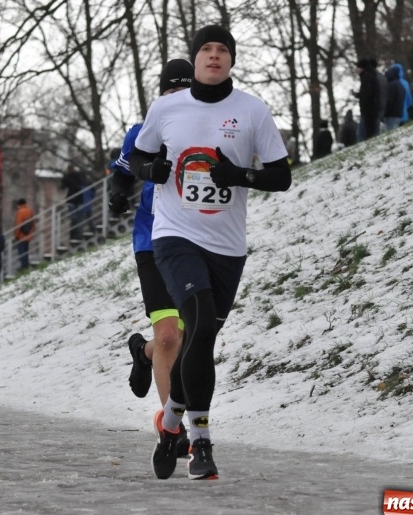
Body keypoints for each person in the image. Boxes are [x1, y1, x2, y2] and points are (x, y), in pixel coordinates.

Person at [130, 25, 291, 480]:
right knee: (195, 320)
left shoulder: (252, 111)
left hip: (227, 247)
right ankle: (201, 443)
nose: (215, 56)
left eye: (223, 50)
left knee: (202, 338)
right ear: (196, 58)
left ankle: (171, 423)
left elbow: (281, 176)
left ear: (232, 61)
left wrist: (238, 176)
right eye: (207, 49)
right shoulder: (166, 107)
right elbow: (138, 160)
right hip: (175, 236)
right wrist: (153, 169)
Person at [108, 58, 193, 458]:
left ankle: (141, 354)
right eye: (171, 91)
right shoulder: (143, 132)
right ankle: (172, 427)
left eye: (184, 90)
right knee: (169, 336)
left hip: (197, 242)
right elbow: (123, 171)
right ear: (161, 94)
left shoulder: (206, 133)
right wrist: (117, 194)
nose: (177, 98)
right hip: (152, 240)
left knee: (186, 338)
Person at [60, 164, 89, 242]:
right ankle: (78, 236)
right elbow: (83, 182)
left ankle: (73, 236)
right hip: (79, 199)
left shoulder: (67, 177)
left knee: (73, 219)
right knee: (79, 219)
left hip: (71, 200)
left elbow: (62, 186)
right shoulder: (78, 176)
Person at [354, 58, 381, 141]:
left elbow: (367, 95)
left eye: (358, 67)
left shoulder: (366, 77)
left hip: (369, 111)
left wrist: (364, 106)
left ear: (362, 68)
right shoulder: (370, 76)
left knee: (364, 136)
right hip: (372, 110)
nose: (356, 69)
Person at [14, 198, 36, 270]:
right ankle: (26, 265)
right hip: (28, 235)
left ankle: (24, 266)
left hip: (21, 236)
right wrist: (31, 233)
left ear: (19, 204)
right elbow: (33, 224)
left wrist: (16, 235)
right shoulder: (30, 211)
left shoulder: (20, 212)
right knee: (26, 251)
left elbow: (18, 225)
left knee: (21, 252)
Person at [384, 65, 407, 132]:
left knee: (390, 132)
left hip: (391, 114)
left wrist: (384, 113)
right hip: (399, 114)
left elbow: (389, 101)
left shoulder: (391, 85)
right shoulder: (400, 85)